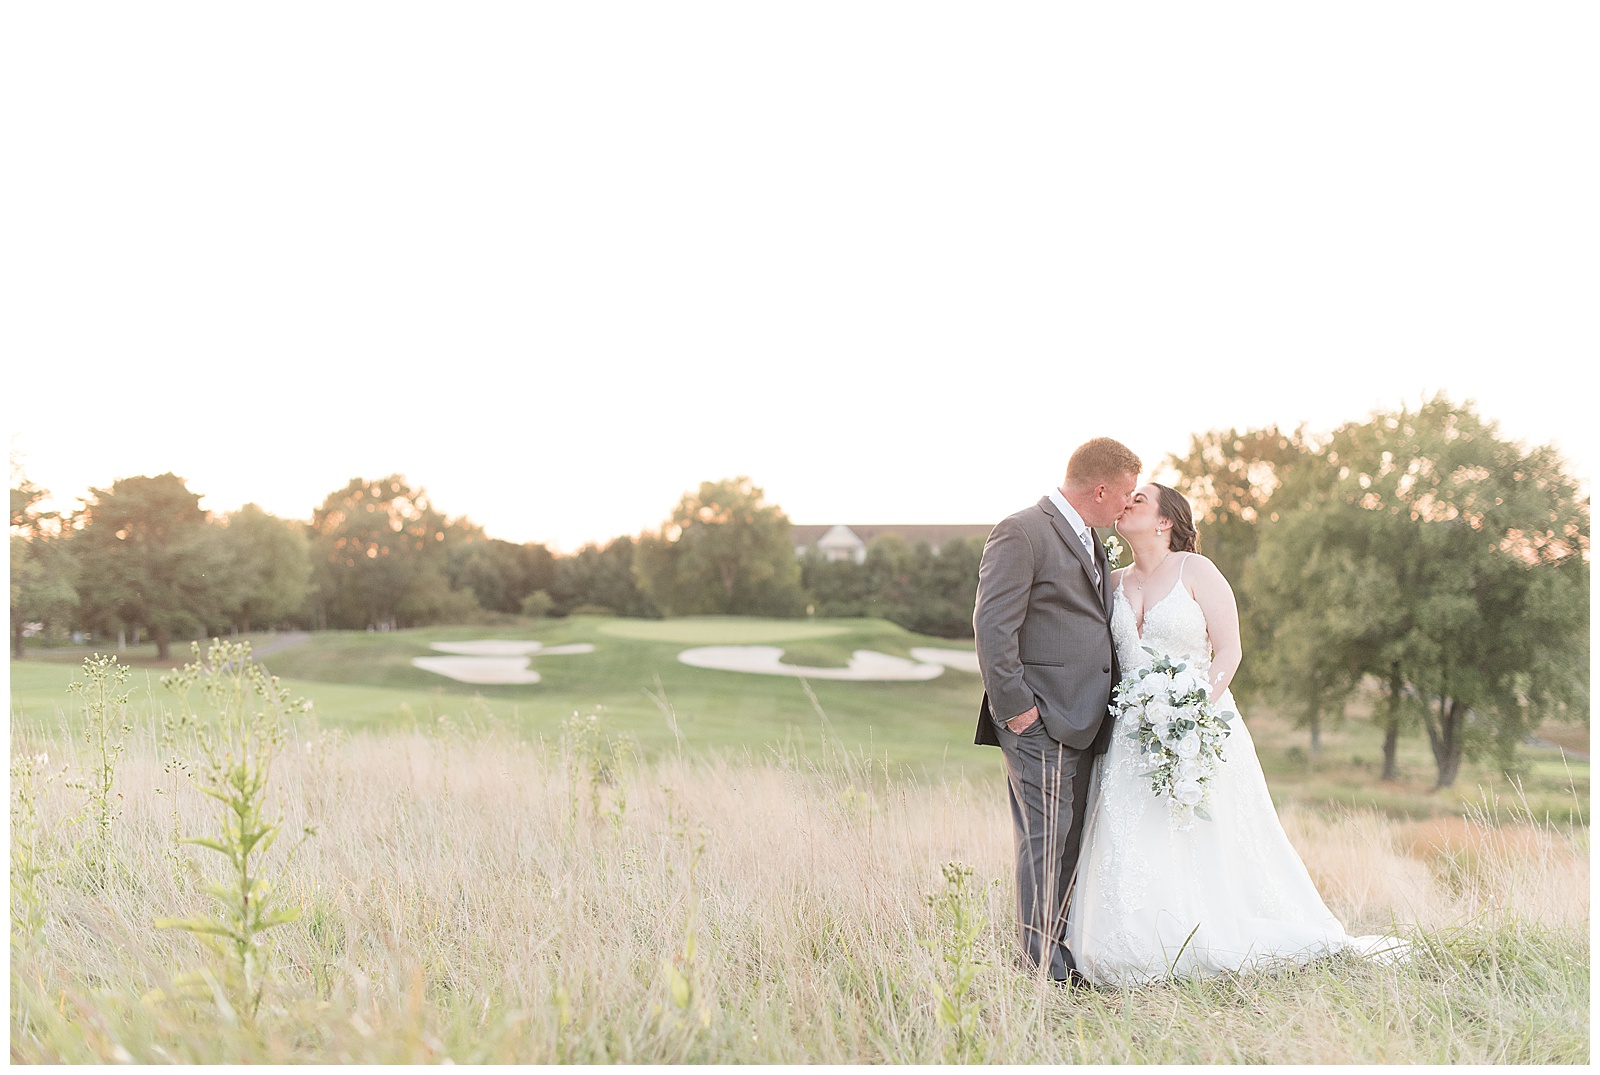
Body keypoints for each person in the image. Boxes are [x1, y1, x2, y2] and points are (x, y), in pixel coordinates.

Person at [1065, 483, 1407, 986]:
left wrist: (1191, 709)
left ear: (1165, 521)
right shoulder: (1111, 582)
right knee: (1135, 833)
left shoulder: (1196, 571)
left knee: (1203, 831)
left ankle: (1210, 932)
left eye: (1140, 499)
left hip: (1200, 727)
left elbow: (1229, 651)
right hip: (1130, 735)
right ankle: (1134, 941)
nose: (1127, 503)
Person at [973, 437, 1141, 985]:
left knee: (1069, 838)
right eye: (1126, 495)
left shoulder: (1090, 537)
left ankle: (1061, 944)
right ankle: (1041, 964)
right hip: (1038, 719)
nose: (1127, 506)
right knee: (1044, 839)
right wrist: (1018, 709)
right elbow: (993, 627)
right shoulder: (1022, 531)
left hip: (1088, 719)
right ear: (1100, 489)